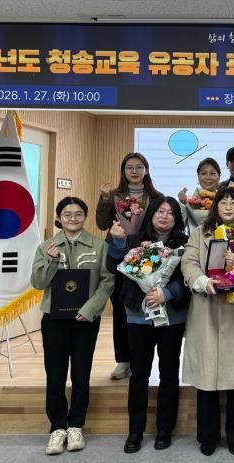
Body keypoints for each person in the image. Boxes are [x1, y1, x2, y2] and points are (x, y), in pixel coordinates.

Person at [31, 197, 114, 455]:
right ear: (59, 217)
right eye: (67, 214)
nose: (73, 218)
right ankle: (57, 427)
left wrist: (89, 310)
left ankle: (76, 425)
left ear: (85, 217)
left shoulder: (99, 246)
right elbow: (38, 282)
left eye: (78, 214)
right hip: (54, 320)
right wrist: (51, 260)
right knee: (55, 375)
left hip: (85, 321)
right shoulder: (46, 246)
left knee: (81, 374)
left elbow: (107, 282)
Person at [107, 196, 190, 454]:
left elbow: (187, 278)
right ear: (151, 214)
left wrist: (168, 293)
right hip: (138, 315)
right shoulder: (134, 240)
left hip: (171, 316)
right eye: (160, 211)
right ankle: (135, 430)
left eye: (171, 213)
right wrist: (117, 242)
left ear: (177, 219)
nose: (165, 216)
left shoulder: (185, 244)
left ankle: (165, 429)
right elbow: (114, 268)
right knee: (139, 373)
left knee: (169, 372)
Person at [181, 187, 234, 456]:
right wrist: (202, 281)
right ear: (215, 206)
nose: (228, 206)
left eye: (233, 202)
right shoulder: (200, 233)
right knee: (206, 380)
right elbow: (188, 263)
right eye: (223, 201)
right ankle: (207, 436)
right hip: (207, 308)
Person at [96, 152, 163, 380]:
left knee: (143, 309)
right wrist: (105, 199)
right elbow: (101, 224)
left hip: (145, 258)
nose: (134, 171)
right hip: (117, 256)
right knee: (120, 309)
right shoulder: (114, 195)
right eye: (129, 167)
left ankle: (141, 361)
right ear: (123, 171)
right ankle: (123, 361)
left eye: (139, 167)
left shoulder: (156, 197)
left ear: (146, 170)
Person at [178, 157, 222, 234]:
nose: (208, 177)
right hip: (195, 240)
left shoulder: (224, 199)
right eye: (204, 173)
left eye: (212, 173)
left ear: (219, 176)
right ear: (198, 176)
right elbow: (180, 226)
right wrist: (182, 204)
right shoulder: (188, 200)